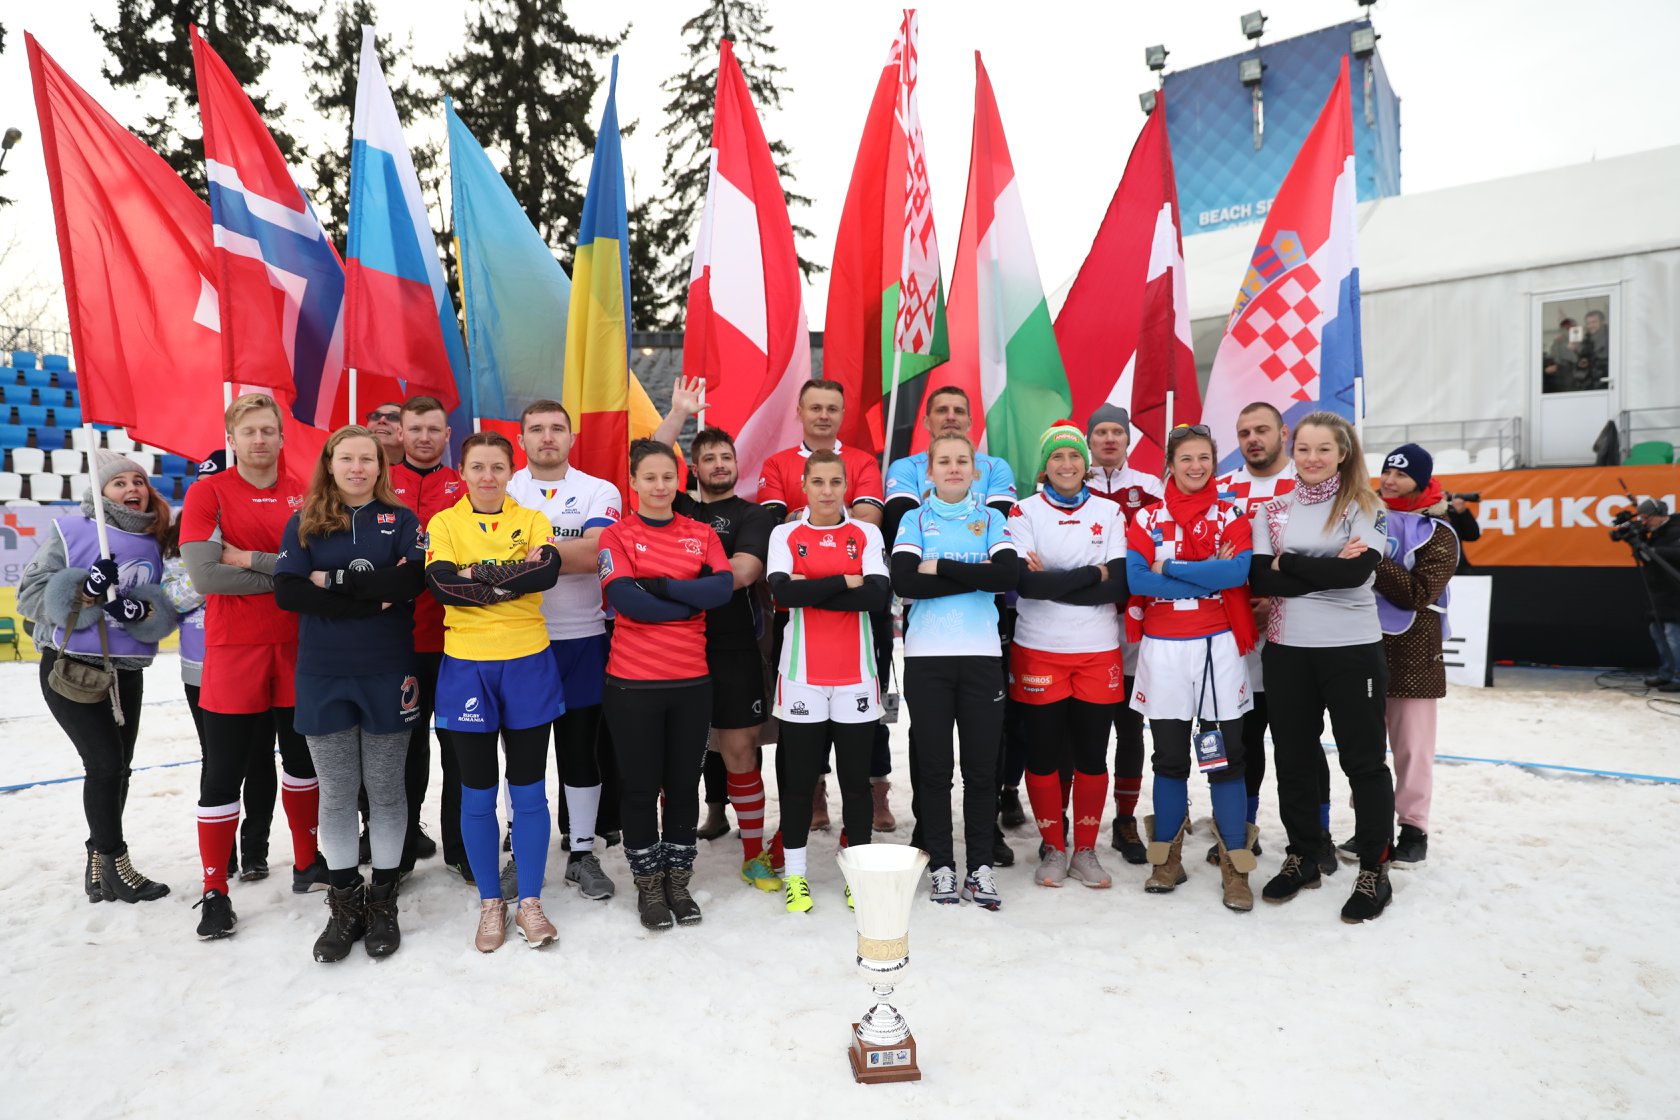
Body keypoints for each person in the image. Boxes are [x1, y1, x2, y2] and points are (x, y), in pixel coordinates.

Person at [274, 426, 426, 962]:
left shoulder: (403, 520)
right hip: (323, 674)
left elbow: (411, 583)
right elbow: (288, 591)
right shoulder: (306, 520)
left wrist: (330, 583)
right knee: (337, 794)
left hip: (387, 671)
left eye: (369, 459)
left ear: (381, 466)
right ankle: (345, 902)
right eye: (348, 458)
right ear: (330, 463)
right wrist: (368, 596)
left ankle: (383, 899)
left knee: (386, 791)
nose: (358, 467)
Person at [179, 393, 322, 940]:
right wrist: (287, 581)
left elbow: (317, 566)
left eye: (269, 430)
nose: (260, 440)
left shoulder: (305, 494)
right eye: (249, 431)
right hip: (234, 650)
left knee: (302, 759)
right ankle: (215, 890)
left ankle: (307, 863)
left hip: (298, 647)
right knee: (223, 772)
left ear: (282, 439)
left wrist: (254, 562)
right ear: (231, 439)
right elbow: (206, 577)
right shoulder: (207, 492)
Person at [1248, 411, 1397, 923]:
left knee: (1363, 761)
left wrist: (1287, 561)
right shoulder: (1271, 510)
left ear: (1343, 454)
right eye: (1304, 449)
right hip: (1288, 650)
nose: (1312, 459)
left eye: (1323, 450)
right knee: (1293, 756)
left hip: (1353, 650)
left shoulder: (1365, 506)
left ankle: (1376, 867)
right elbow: (1261, 583)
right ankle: (1305, 854)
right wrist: (1321, 567)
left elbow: (1356, 574)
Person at [425, 431, 565, 952]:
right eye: (478, 467)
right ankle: (491, 902)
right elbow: (441, 585)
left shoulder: (531, 518)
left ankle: (528, 900)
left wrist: (478, 576)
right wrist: (511, 576)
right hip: (467, 665)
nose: (487, 476)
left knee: (528, 790)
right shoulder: (444, 522)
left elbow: (546, 571)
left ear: (512, 471)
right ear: (462, 471)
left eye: (497, 467)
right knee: (477, 791)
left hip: (528, 660)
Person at [19, 451, 179, 904]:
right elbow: (30, 598)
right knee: (105, 765)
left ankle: (98, 864)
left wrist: (141, 610)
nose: (132, 489)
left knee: (118, 771)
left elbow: (163, 610)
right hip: (72, 668)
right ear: (100, 492)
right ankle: (116, 863)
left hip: (125, 672)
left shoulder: (155, 540)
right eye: (118, 483)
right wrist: (83, 590)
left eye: (138, 481)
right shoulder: (70, 533)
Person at [597, 440, 734, 931]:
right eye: (649, 478)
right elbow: (627, 603)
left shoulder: (700, 533)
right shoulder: (616, 536)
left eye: (668, 478)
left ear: (681, 481)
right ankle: (649, 885)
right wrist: (686, 601)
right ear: (632, 482)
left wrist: (659, 586)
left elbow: (721, 588)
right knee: (637, 788)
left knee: (682, 785)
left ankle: (678, 880)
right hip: (633, 684)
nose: (659, 486)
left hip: (691, 683)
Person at [883, 385, 1018, 867]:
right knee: (935, 768)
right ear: (929, 469)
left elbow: (1007, 576)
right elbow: (903, 581)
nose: (955, 468)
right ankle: (938, 859)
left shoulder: (992, 517)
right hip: (927, 656)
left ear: (976, 469)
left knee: (982, 770)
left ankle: (980, 861)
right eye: (944, 462)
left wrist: (938, 567)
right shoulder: (914, 517)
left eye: (963, 461)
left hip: (982, 653)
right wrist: (974, 577)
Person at [1126, 424, 1259, 912]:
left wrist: (1169, 570)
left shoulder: (1231, 514)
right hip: (1164, 649)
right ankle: (1167, 859)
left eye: (1204, 458)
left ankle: (1235, 868)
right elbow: (1136, 578)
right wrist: (1203, 581)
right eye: (1187, 459)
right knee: (1169, 758)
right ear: (1171, 464)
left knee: (1225, 759)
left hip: (1217, 650)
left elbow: (1237, 573)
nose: (1196, 467)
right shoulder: (1147, 518)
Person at [754, 378, 889, 832]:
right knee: (801, 738)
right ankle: (811, 797)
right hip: (802, 642)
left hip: (857, 639)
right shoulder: (776, 463)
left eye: (833, 407)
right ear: (801, 410)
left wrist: (810, 574)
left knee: (868, 720)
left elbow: (868, 518)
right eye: (816, 407)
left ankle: (876, 792)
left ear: (842, 412)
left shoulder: (863, 460)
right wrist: (845, 576)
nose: (824, 415)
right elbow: (779, 521)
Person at [766, 450, 891, 913]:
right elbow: (782, 593)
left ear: (846, 487)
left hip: (856, 677)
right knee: (799, 781)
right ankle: (796, 878)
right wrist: (846, 580)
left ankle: (857, 875)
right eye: (817, 481)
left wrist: (812, 588)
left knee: (855, 781)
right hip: (801, 677)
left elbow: (877, 598)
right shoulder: (785, 533)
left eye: (835, 482)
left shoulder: (866, 532)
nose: (826, 491)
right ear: (804, 484)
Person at [506, 399, 621, 901]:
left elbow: (598, 552)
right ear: (522, 439)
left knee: (580, 752)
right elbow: (481, 552)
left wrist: (524, 554)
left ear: (572, 438)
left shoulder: (598, 489)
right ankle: (519, 852)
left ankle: (581, 853)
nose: (547, 437)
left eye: (557, 429)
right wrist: (560, 552)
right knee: (523, 754)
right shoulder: (505, 486)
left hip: (582, 637)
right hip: (517, 639)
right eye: (537, 429)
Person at [1212, 402, 1332, 872]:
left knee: (1299, 742)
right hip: (1236, 639)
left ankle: (1316, 835)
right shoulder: (1223, 489)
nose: (1253, 439)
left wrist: (1275, 600)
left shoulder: (1309, 486)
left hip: (1297, 636)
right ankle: (1241, 831)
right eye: (1244, 433)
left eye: (1262, 429)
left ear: (1283, 433)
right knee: (1240, 741)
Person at [1010, 422, 1129, 892]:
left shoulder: (1110, 511)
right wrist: (1089, 575)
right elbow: (1025, 584)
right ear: (1045, 465)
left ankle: (1084, 849)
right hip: (1039, 648)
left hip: (1098, 651)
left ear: (1087, 462)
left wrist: (1056, 582)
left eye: (1074, 456)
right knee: (1042, 756)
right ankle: (1053, 847)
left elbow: (1118, 586)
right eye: (1057, 457)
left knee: (1092, 756)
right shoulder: (1023, 512)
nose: (1066, 465)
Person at [671, 424, 780, 891]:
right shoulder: (675, 506)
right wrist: (676, 413)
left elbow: (743, 573)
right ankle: (671, 859)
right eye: (709, 458)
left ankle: (753, 855)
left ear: (737, 465)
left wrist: (669, 581)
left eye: (726, 457)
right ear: (693, 468)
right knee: (672, 761)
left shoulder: (753, 515)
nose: (719, 464)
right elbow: (647, 458)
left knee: (740, 753)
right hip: (675, 648)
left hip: (734, 648)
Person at [1362, 443, 1460, 870]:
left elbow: (1419, 593)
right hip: (1363, 644)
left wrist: (1373, 558)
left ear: (1420, 480)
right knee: (1365, 743)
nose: (1389, 481)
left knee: (1412, 747)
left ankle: (1413, 828)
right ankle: (1372, 823)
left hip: (1415, 652)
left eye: (1400, 476)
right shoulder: (1364, 516)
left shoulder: (1440, 534)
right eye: (1387, 472)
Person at [1082, 403, 1162, 864]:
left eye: (1117, 432)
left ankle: (1126, 818)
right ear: (1089, 440)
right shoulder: (1070, 479)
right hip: (1086, 624)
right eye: (1101, 432)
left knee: (1131, 728)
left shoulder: (1149, 487)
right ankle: (1078, 816)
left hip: (1135, 623)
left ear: (1128, 440)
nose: (1109, 439)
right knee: (1083, 730)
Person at [388, 396, 459, 875]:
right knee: (401, 753)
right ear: (400, 432)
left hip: (456, 642)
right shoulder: (378, 482)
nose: (425, 438)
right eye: (416, 429)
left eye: (434, 429)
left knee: (459, 750)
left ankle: (461, 846)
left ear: (447, 435)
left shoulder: (467, 484)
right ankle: (402, 842)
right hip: (394, 645)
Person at [1633, 499, 1680, 692]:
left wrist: (1654, 550)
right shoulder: (1653, 533)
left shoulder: (1676, 530)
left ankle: (1678, 677)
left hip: (1674, 593)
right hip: (1657, 594)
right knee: (1657, 632)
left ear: (1660, 514)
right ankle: (1666, 673)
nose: (1644, 522)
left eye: (1646, 518)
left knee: (1673, 636)